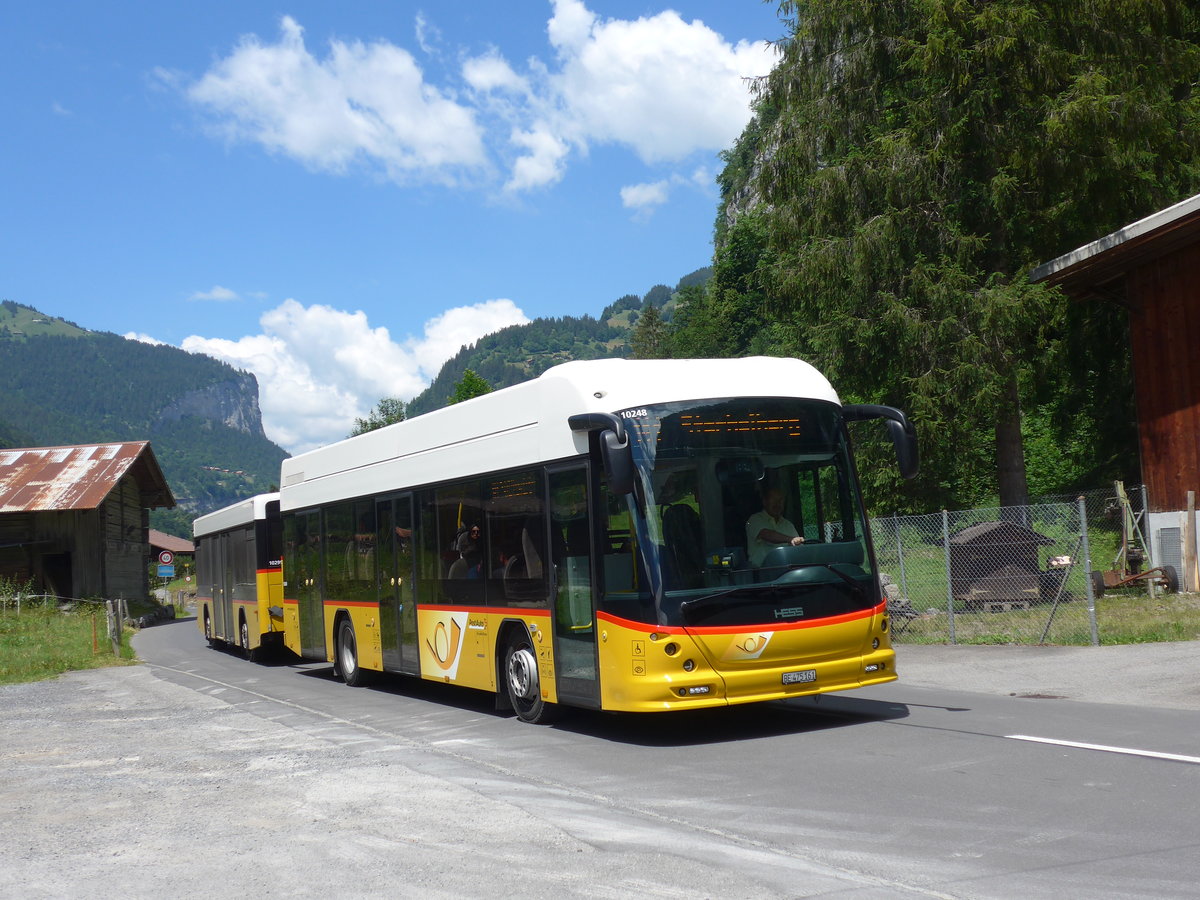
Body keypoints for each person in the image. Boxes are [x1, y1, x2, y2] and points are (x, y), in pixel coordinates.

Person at [745, 487, 804, 566]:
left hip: (787, 572)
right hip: (761, 573)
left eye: (780, 500)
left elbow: (798, 548)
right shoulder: (754, 520)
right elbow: (767, 534)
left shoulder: (788, 525)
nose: (777, 504)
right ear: (765, 502)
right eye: (774, 500)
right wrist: (790, 539)